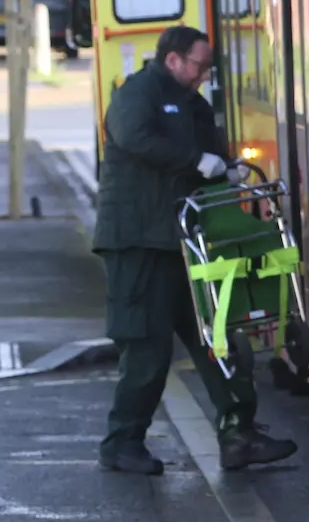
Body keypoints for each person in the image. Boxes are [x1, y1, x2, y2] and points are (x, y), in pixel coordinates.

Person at [94, 24, 297, 475]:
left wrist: (224, 168)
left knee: (218, 337)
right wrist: (193, 161)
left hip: (186, 244)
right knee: (147, 347)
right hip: (139, 241)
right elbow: (136, 138)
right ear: (173, 59)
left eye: (207, 68)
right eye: (199, 66)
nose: (203, 75)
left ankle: (238, 435)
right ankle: (122, 442)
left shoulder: (193, 105)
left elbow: (208, 153)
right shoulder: (138, 94)